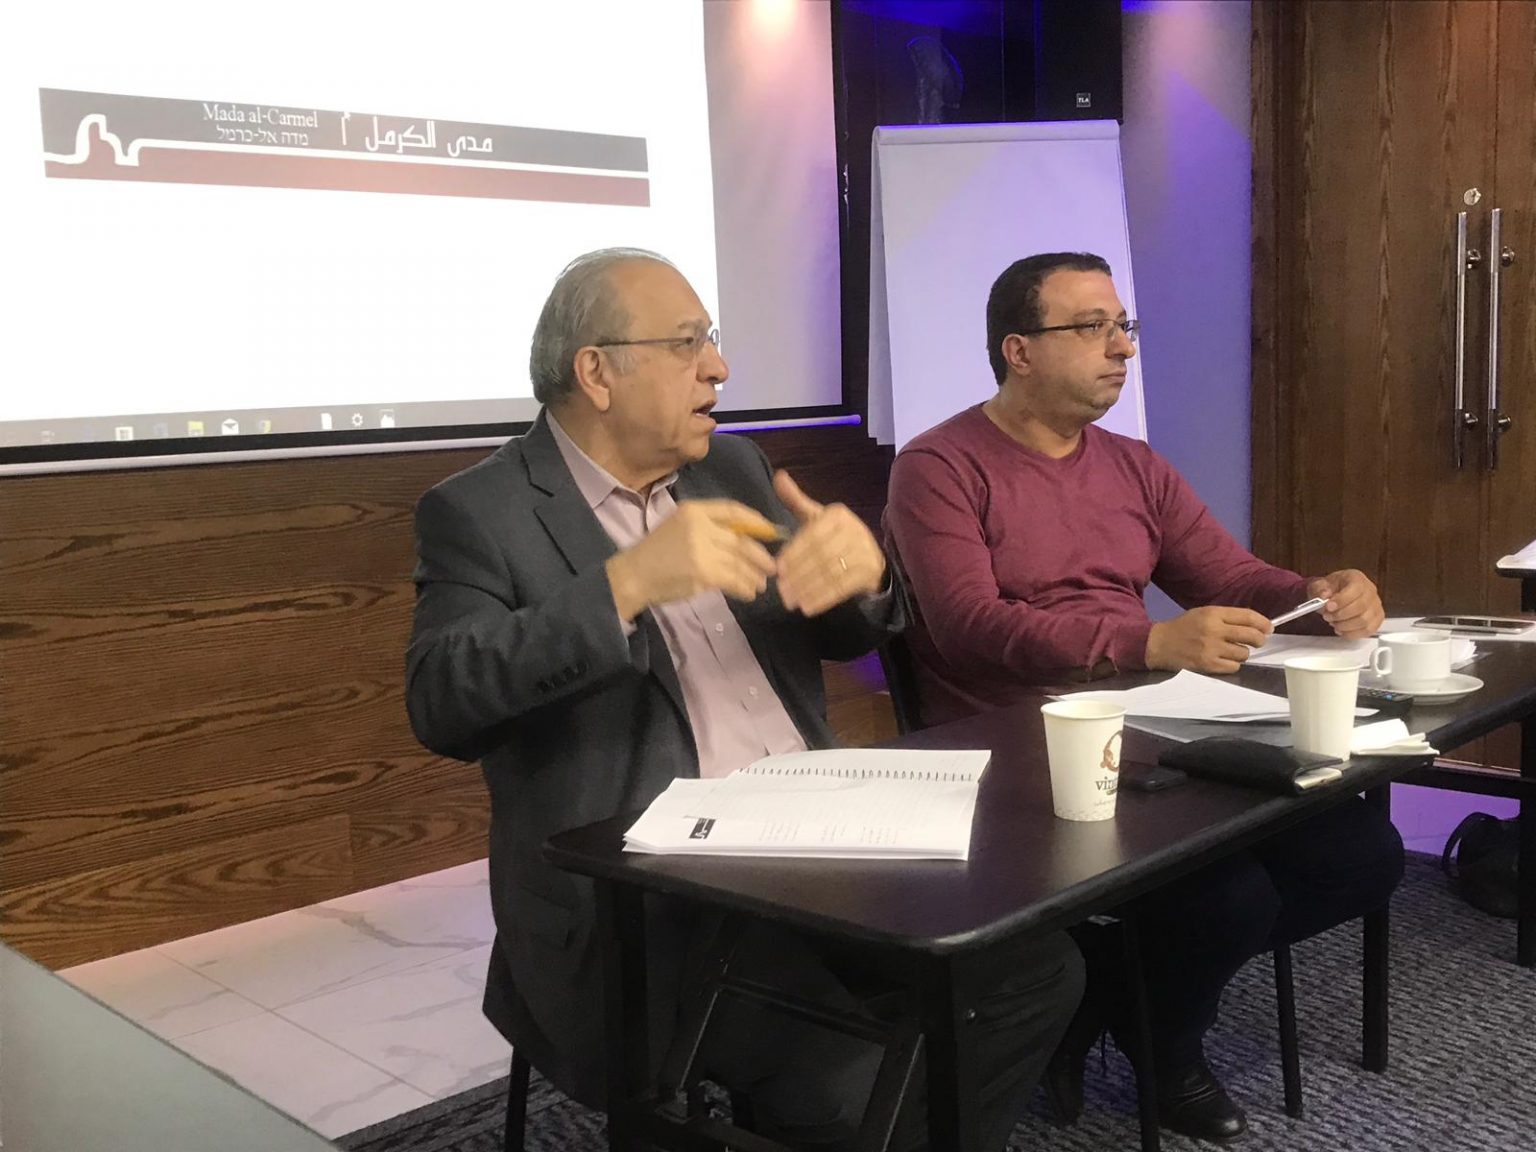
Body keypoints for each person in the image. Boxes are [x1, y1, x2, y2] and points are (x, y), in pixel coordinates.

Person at [405, 248, 1083, 1151]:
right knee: (849, 1088)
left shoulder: (735, 468)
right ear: (597, 373)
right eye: (688, 344)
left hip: (820, 837)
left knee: (1038, 973)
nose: (718, 367)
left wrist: (867, 577)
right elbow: (441, 697)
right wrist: (622, 587)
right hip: (657, 897)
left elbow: (848, 630)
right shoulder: (482, 511)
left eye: (712, 341)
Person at [884, 252, 1404, 1143]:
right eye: (1091, 327)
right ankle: (1167, 1048)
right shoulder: (938, 466)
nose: (1121, 347)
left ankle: (1112, 994)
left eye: (1123, 326)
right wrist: (1146, 642)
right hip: (1015, 746)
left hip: (1151, 729)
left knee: (1361, 852)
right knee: (1226, 897)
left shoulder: (1132, 466)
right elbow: (968, 623)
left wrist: (1319, 597)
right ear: (1018, 350)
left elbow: (1228, 575)